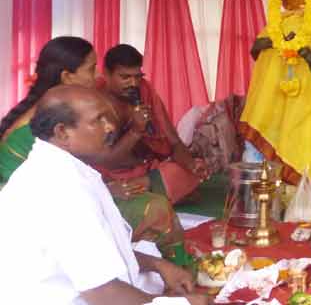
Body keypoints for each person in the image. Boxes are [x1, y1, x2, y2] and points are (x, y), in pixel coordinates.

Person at [0, 85, 209, 305]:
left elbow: (97, 255)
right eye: (98, 120)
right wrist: (176, 303)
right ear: (62, 132)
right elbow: (103, 293)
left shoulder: (63, 168)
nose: (110, 127)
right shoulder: (61, 190)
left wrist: (159, 265)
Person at [97, 44, 208, 201]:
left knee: (190, 169)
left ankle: (140, 187)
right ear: (106, 74)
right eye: (125, 77)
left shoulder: (145, 90)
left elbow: (174, 141)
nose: (133, 83)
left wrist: (191, 165)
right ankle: (145, 190)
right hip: (108, 173)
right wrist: (135, 132)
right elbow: (105, 160)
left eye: (137, 76)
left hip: (144, 169)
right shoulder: (93, 99)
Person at [0, 36, 98, 181]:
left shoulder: (57, 108)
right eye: (92, 69)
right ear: (67, 76)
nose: (97, 75)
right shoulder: (43, 121)